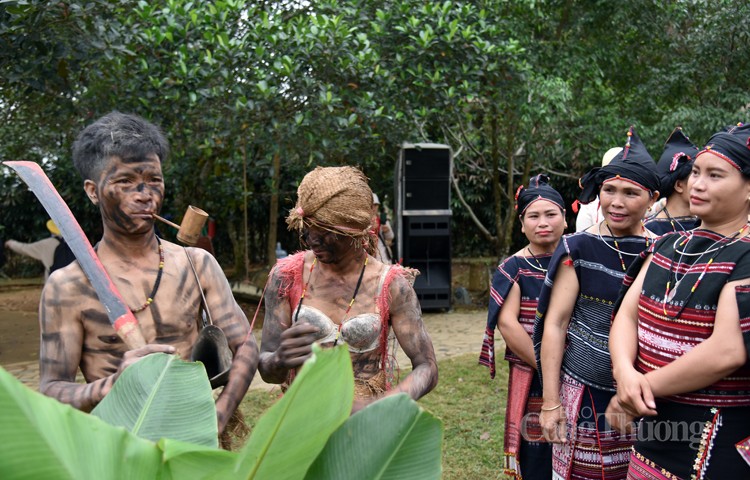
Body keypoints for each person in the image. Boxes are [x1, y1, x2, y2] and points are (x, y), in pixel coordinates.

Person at [38, 112, 259, 435]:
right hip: (119, 445)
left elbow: (246, 347)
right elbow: (52, 389)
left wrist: (218, 417)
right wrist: (113, 385)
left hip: (192, 441)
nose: (144, 194)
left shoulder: (196, 265)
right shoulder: (68, 287)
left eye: (154, 180)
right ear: (93, 190)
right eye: (125, 181)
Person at [606, 123, 750, 479]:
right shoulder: (666, 244)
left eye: (715, 175)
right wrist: (624, 373)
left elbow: (727, 351)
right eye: (697, 172)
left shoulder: (746, 255)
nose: (698, 184)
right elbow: (626, 317)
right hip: (654, 428)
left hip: (717, 441)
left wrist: (638, 390)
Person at [534, 126, 660, 479]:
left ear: (652, 199)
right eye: (609, 190)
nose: (616, 202)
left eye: (630, 193)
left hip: (644, 394)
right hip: (582, 392)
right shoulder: (579, 247)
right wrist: (550, 402)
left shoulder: (664, 249)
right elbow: (555, 324)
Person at [258, 166, 438, 412]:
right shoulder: (286, 276)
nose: (313, 240)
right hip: (299, 420)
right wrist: (278, 359)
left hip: (364, 427)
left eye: (327, 233)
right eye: (308, 228)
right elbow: (268, 369)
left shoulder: (391, 284)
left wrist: (379, 407)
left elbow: (426, 366)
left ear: (354, 234)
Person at [479, 174, 566, 479]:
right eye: (534, 216)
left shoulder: (576, 260)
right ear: (522, 224)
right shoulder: (514, 267)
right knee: (538, 450)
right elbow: (508, 324)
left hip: (579, 370)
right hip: (533, 373)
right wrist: (550, 365)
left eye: (551, 214)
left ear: (566, 219)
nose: (544, 222)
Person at [643, 126, 701, 235]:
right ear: (679, 185)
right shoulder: (649, 231)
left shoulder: (708, 225)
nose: (704, 184)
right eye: (696, 174)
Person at [4, 220, 73, 279]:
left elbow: (25, 248)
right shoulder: (73, 243)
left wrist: (11, 243)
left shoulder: (47, 244)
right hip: (72, 279)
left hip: (54, 281)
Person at [574, 147, 622, 232]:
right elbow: (582, 238)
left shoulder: (642, 201)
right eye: (609, 190)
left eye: (629, 193)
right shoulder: (590, 205)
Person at [371, 193, 394, 264]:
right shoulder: (362, 220)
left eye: (376, 205)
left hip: (382, 255)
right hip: (367, 256)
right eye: (372, 204)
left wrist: (387, 231)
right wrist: (370, 229)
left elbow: (391, 237)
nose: (374, 207)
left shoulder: (382, 218)